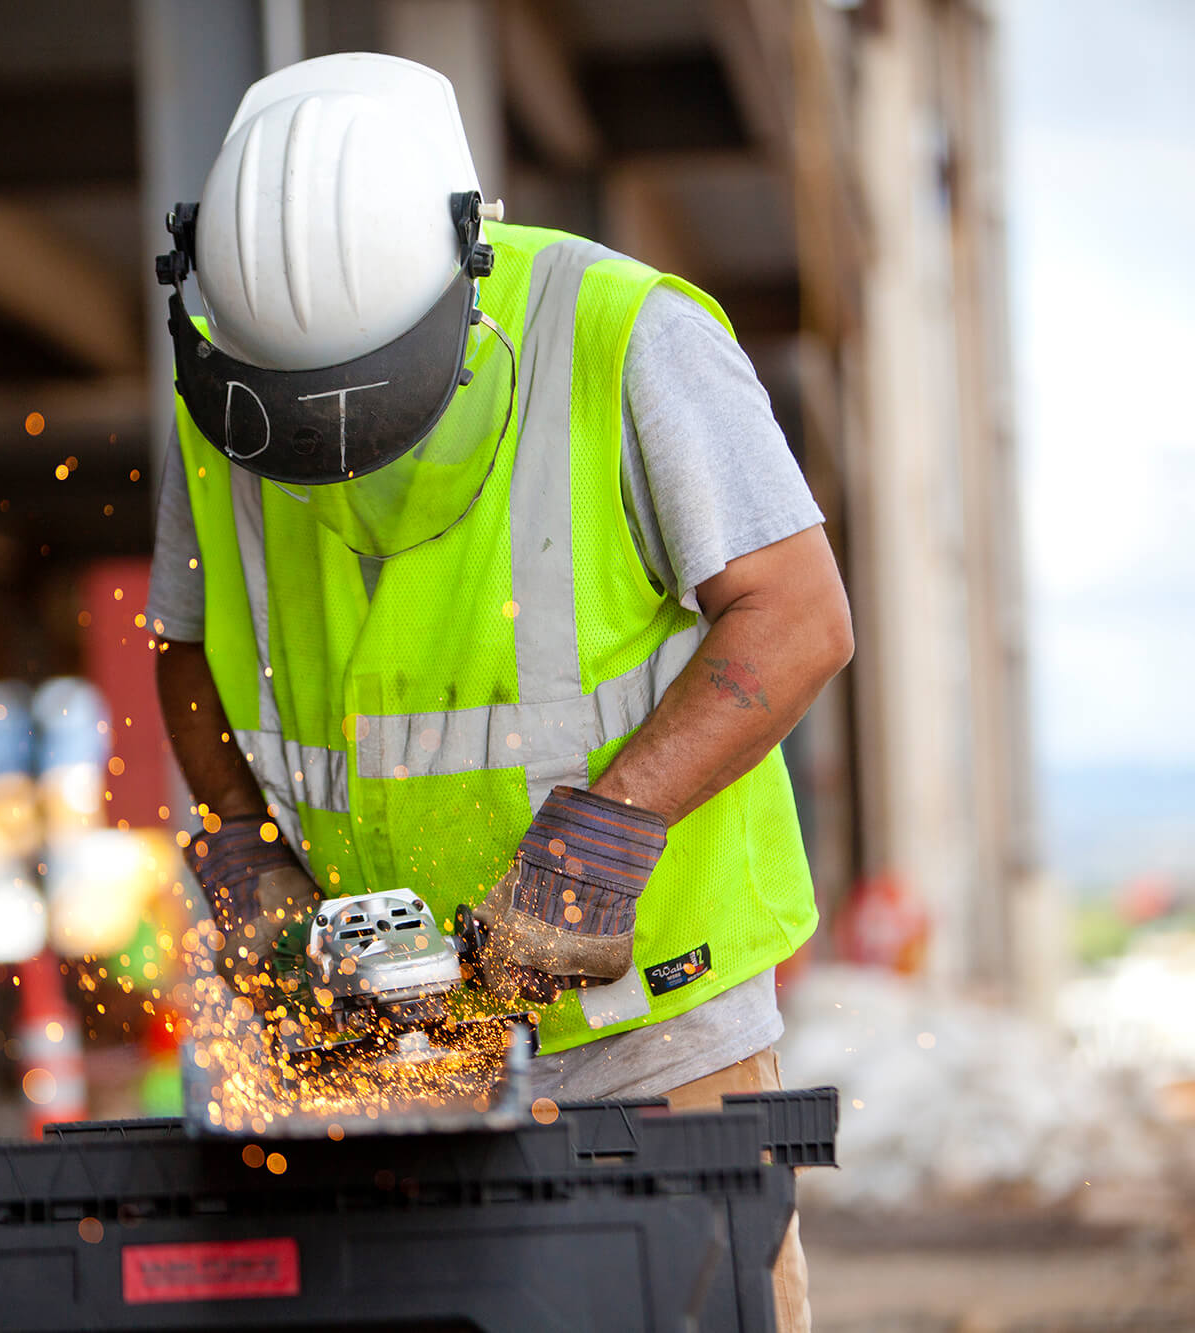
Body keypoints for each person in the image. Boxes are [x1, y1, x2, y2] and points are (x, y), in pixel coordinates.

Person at [147, 52, 850, 1330]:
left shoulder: (623, 337)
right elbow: (185, 650)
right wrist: (244, 847)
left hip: (652, 1030)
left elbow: (797, 617)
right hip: (391, 1051)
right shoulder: (231, 396)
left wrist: (604, 829)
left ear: (469, 273)